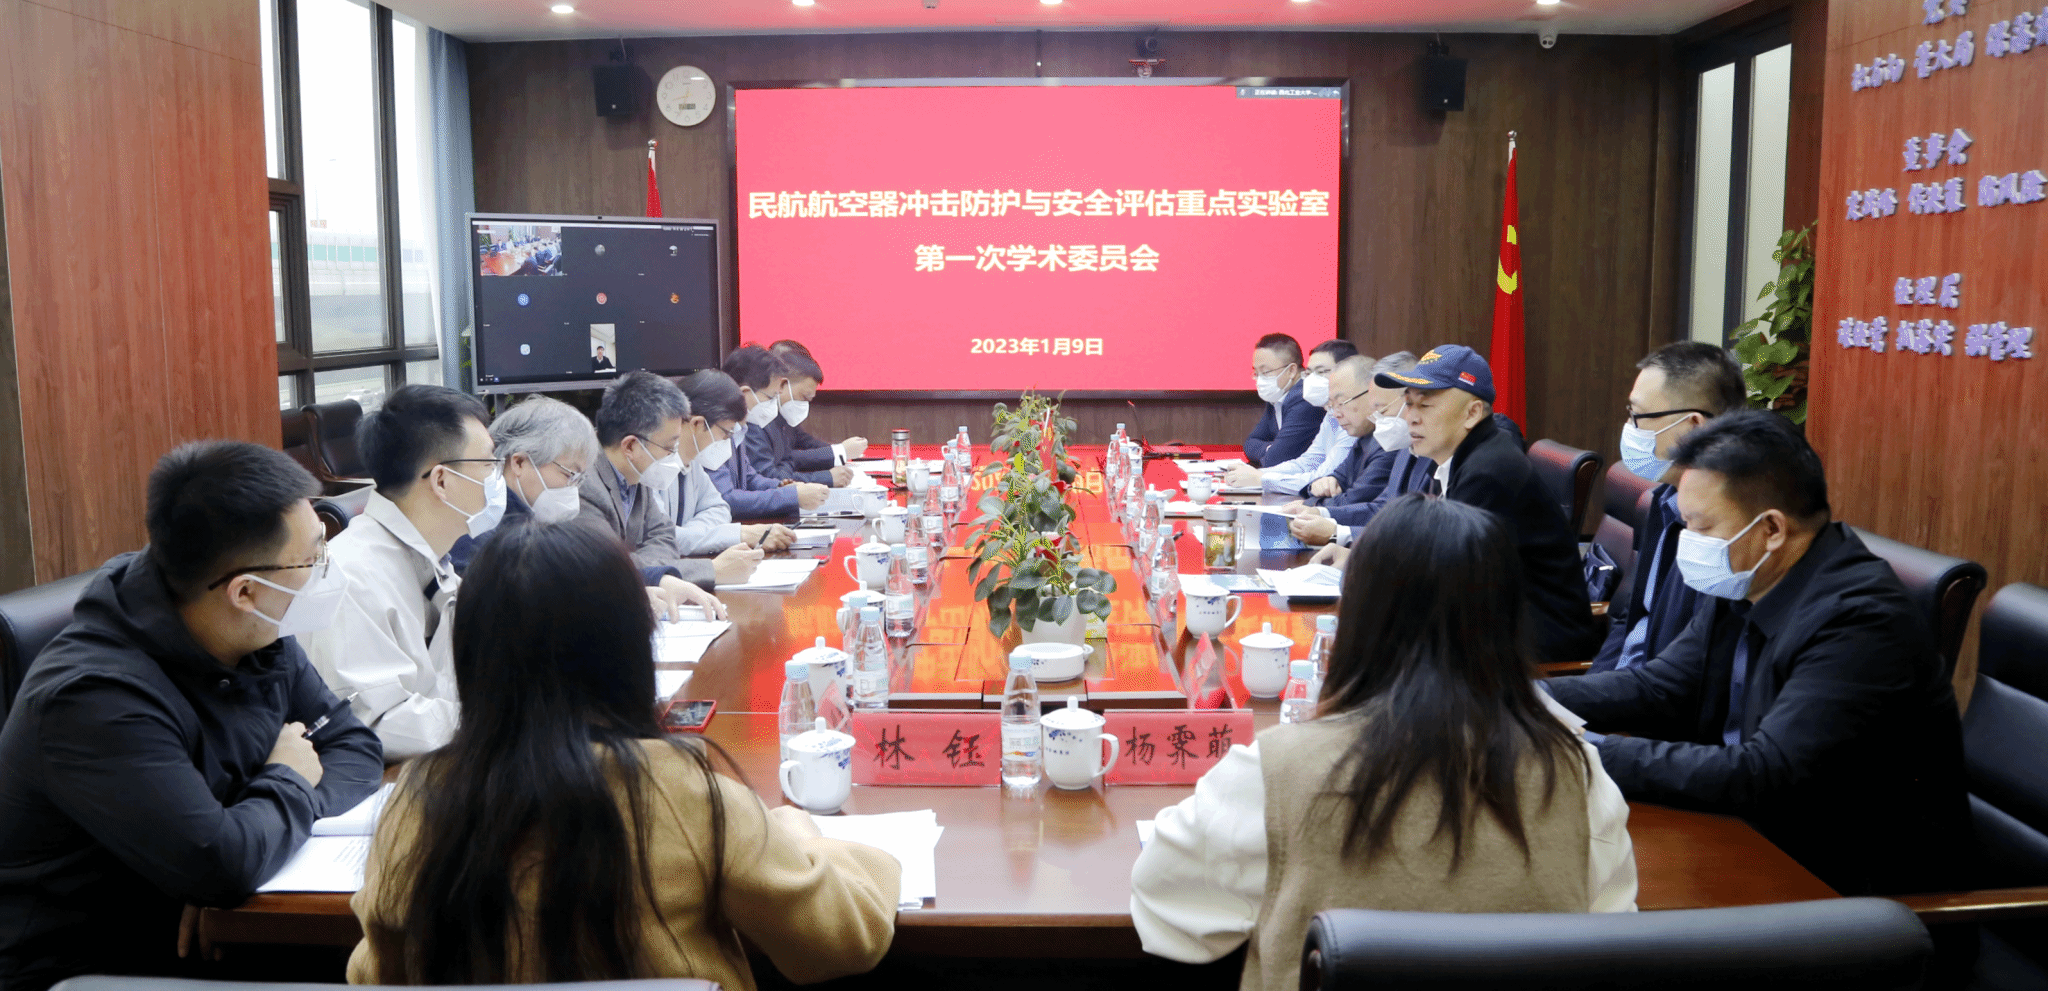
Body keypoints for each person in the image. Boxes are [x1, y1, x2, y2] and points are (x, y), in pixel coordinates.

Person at [348, 521, 900, 989]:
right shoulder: (684, 793)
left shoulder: (418, 800)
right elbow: (842, 942)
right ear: (630, 647)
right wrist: (802, 836)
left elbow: (374, 974)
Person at [1131, 496, 1636, 991]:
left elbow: (1165, 914)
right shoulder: (1579, 776)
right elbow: (1610, 946)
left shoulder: (1273, 771)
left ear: (1355, 617)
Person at [0, 441, 383, 991]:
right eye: (313, 556)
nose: (326, 567)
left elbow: (355, 747)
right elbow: (220, 863)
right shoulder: (92, 699)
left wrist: (247, 844)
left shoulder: (256, 627)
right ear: (245, 591)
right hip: (85, 967)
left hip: (213, 920)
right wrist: (286, 779)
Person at [1544, 412, 1970, 896]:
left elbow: (1767, 773)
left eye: (1701, 527)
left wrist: (1579, 751)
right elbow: (1662, 686)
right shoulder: (1747, 575)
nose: (1688, 543)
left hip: (1851, 893)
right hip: (1748, 838)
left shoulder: (1861, 622)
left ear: (1771, 529)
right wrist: (1528, 699)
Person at [300, 385, 506, 758]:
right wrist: (500, 719)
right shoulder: (350, 577)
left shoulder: (430, 559)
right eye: (489, 464)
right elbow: (377, 723)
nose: (496, 477)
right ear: (442, 481)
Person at [1379, 345, 1602, 663]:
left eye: (1425, 405)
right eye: (1408, 403)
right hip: (1493, 627)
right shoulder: (1462, 457)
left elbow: (1449, 580)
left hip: (1532, 647)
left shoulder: (1488, 473)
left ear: (1472, 413)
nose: (1410, 418)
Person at [445, 397, 709, 623]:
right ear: (520, 463)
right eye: (570, 474)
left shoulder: (534, 517)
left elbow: (580, 576)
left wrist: (657, 579)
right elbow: (515, 606)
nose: (574, 489)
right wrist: (613, 600)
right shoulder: (479, 524)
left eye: (580, 479)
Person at [1591, 342, 1747, 673]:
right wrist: (1584, 692)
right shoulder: (1662, 500)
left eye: (1637, 415)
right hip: (1623, 690)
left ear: (1694, 426)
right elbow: (1628, 620)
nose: (1629, 427)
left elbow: (1686, 674)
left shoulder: (1729, 531)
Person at [587, 371, 760, 598]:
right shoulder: (584, 484)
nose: (674, 455)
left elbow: (665, 537)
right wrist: (711, 570)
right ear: (630, 446)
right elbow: (608, 570)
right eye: (669, 448)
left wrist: (645, 565)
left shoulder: (637, 472)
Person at [1286, 352, 1435, 547]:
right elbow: (1383, 508)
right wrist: (1319, 510)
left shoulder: (1409, 444)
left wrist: (1336, 533)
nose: (1377, 418)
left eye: (1382, 410)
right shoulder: (1401, 445)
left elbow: (1419, 535)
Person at [666, 370, 795, 555]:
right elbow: (661, 540)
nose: (729, 442)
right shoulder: (655, 469)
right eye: (726, 433)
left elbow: (719, 508)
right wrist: (739, 534)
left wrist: (691, 534)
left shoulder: (693, 463)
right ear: (697, 424)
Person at [1220, 339, 1361, 495]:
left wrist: (1262, 479)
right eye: (1309, 373)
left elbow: (1324, 479)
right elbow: (1308, 462)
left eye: (1321, 372)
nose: (1311, 380)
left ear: (1347, 374)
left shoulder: (1354, 417)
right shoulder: (1330, 412)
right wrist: (1258, 474)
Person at [712, 347, 829, 519]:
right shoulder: (712, 432)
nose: (774, 405)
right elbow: (726, 499)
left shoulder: (738, 429)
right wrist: (791, 496)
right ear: (744, 394)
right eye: (771, 398)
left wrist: (783, 487)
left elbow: (750, 478)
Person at [769, 339, 868, 466]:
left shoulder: (783, 414)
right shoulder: (760, 415)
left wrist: (841, 450)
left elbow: (803, 440)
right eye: (804, 397)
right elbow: (782, 459)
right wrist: (839, 452)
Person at [1242, 333, 1320, 468]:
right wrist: (1270, 448)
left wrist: (1272, 451)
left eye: (1265, 372)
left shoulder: (1305, 399)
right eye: (1256, 373)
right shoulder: (1277, 395)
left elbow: (1275, 459)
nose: (1259, 380)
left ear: (1291, 370)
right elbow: (1250, 443)